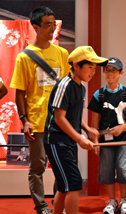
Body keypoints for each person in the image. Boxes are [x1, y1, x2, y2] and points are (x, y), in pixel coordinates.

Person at [10, 6, 70, 214]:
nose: (52, 29)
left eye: (54, 24)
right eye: (47, 25)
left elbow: (68, 87)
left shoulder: (62, 54)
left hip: (60, 121)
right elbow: (20, 92)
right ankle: (41, 207)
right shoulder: (24, 57)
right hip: (36, 121)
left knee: (61, 167)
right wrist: (24, 119)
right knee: (37, 168)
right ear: (35, 27)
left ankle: (57, 205)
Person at [43, 46, 108, 214]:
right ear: (77, 65)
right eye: (90, 67)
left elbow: (76, 115)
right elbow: (60, 118)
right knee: (74, 183)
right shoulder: (65, 85)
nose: (93, 72)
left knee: (64, 186)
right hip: (56, 141)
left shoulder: (81, 87)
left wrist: (87, 129)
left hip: (68, 140)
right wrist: (79, 139)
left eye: (95, 68)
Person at [88, 57, 126, 214]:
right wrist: (95, 140)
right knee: (106, 169)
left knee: (123, 168)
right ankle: (112, 201)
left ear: (121, 73)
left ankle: (123, 200)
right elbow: (95, 119)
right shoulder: (99, 94)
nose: (110, 73)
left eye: (114, 71)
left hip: (124, 138)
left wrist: (123, 127)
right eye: (107, 70)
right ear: (103, 72)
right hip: (106, 140)